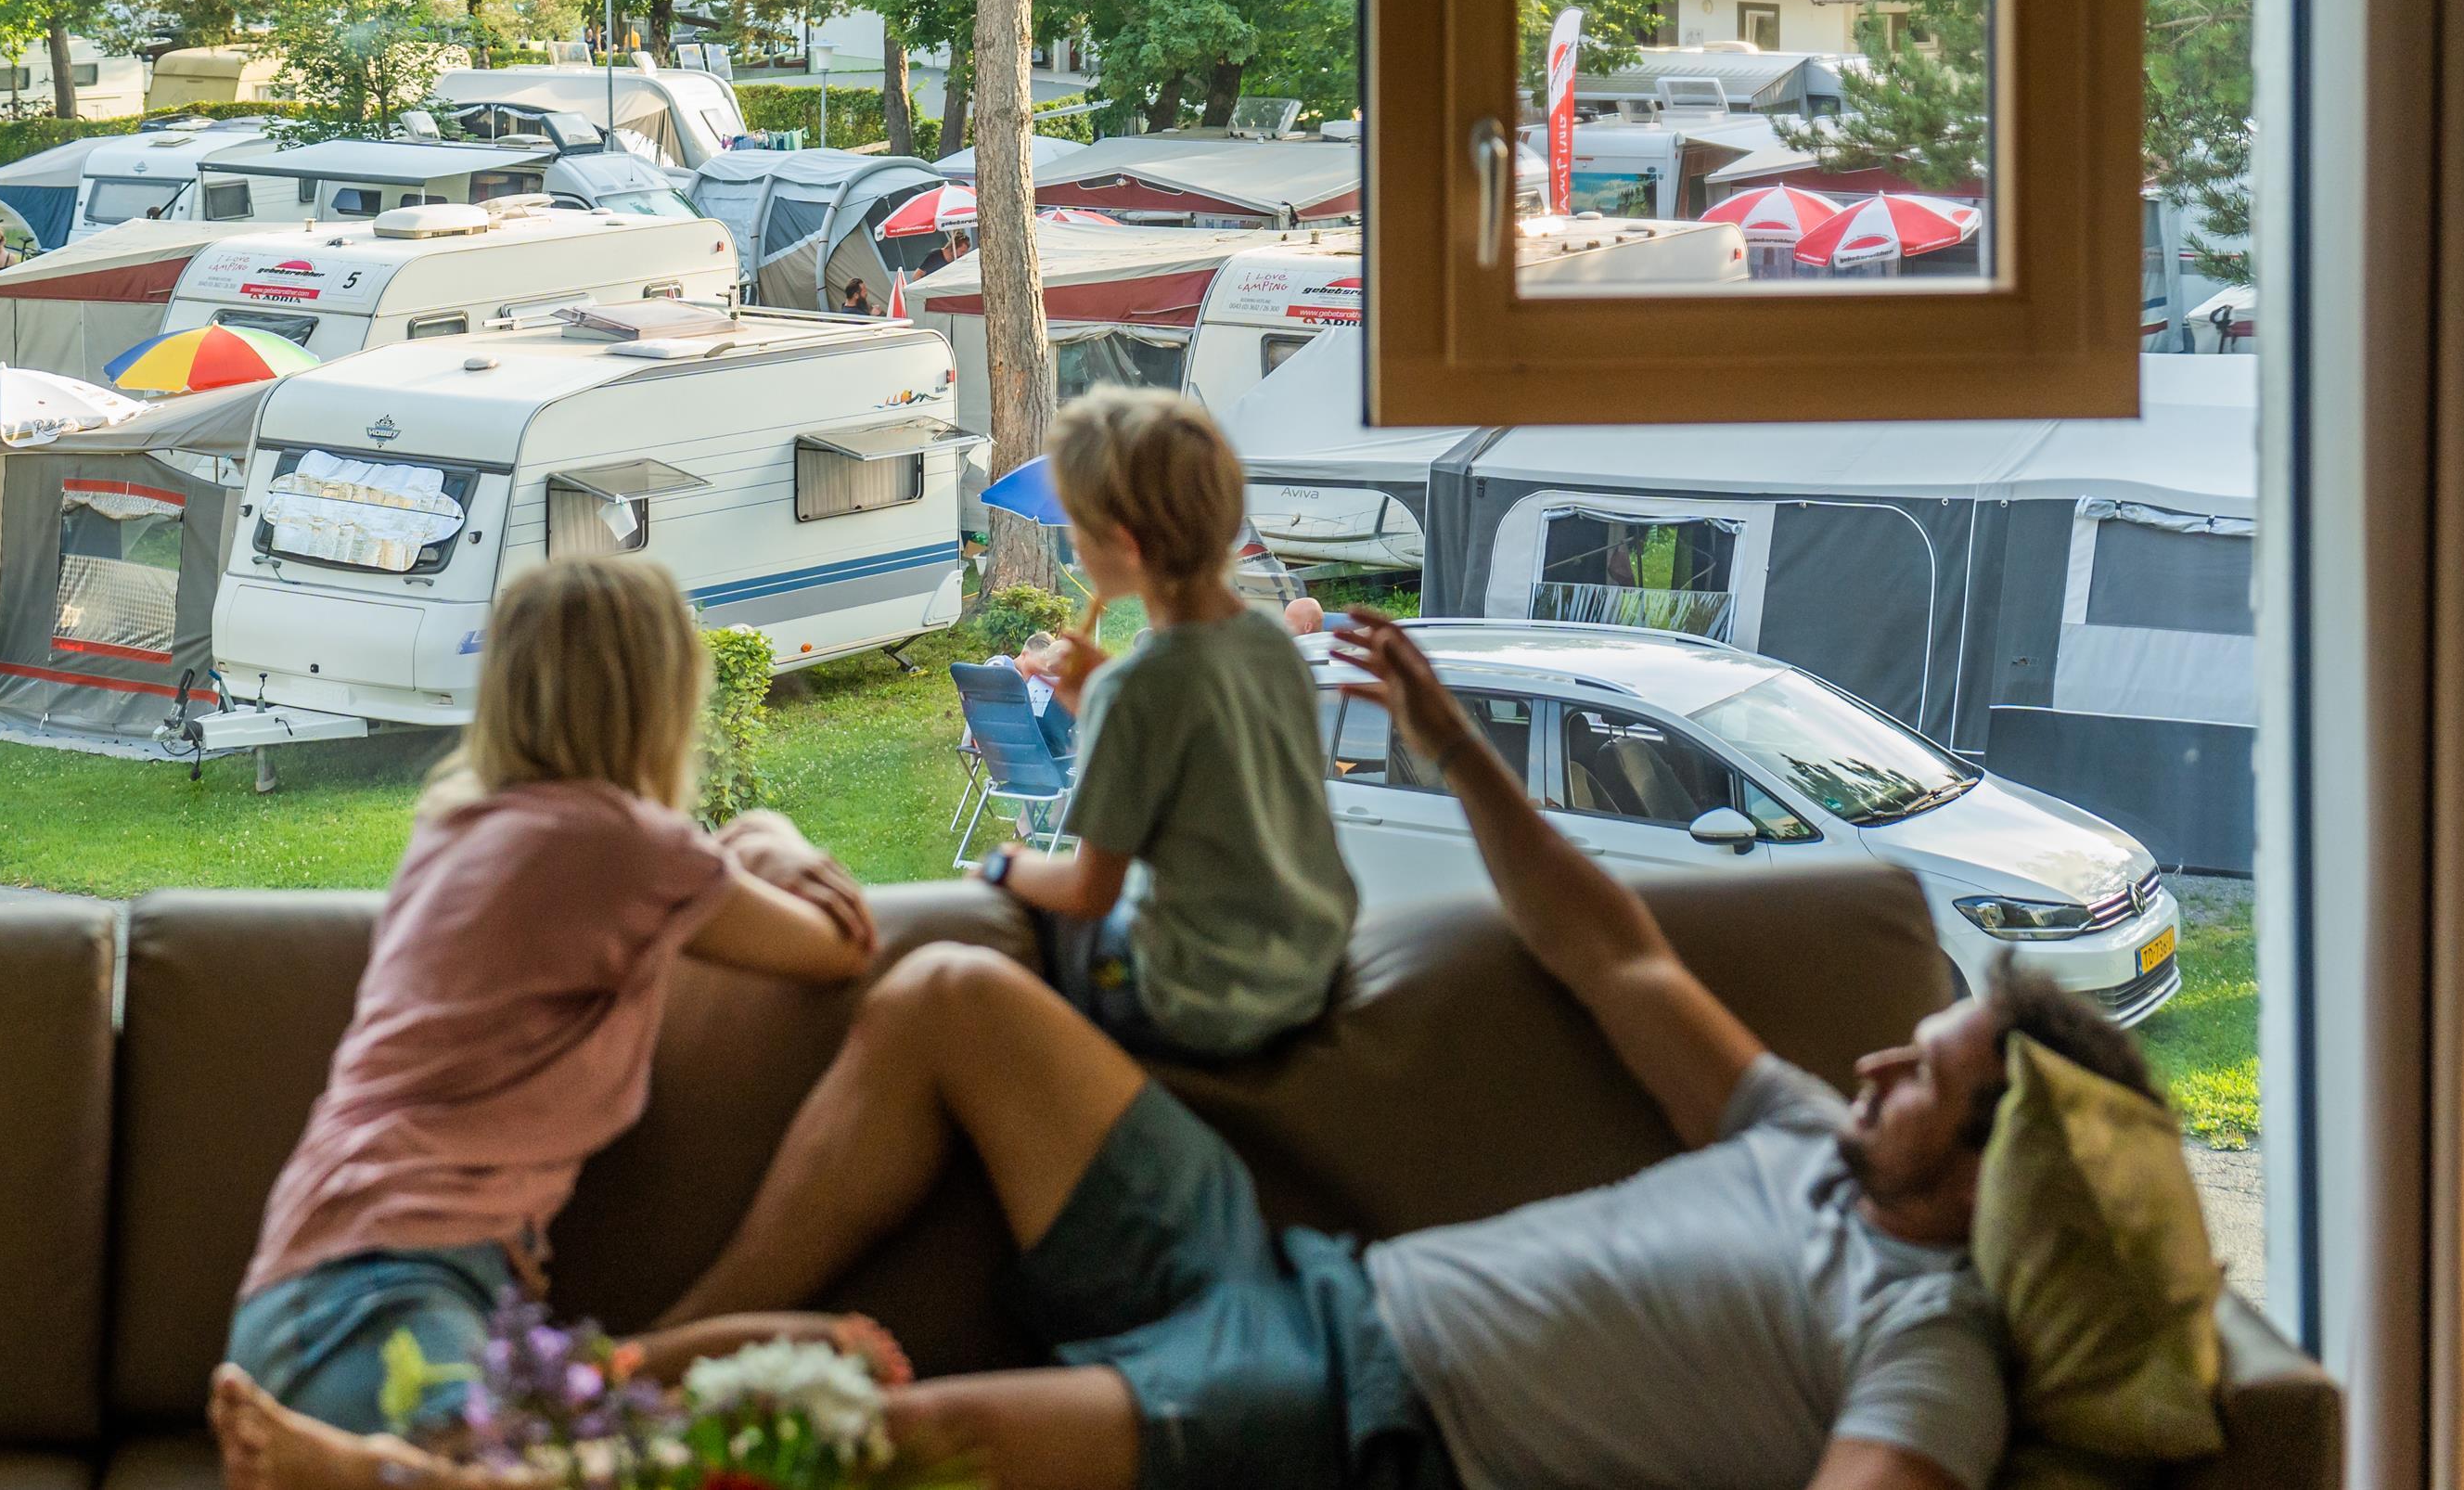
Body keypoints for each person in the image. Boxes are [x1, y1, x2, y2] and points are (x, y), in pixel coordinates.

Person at [493, 607, 2147, 1490]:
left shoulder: (1926, 1339)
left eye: (1923, 1074)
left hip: (1348, 1411)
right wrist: (1455, 746)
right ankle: (632, 1354)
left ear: (1996, 1171)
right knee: (949, 995)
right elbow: (1614, 951)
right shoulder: (1797, 1133)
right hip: (1292, 1278)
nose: (1872, 1064)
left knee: (904, 1447)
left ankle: (521, 1450)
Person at [212, 555, 882, 1454]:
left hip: (318, 1280)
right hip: (384, 1290)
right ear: (657, 699)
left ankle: (393, 1457)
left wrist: (741, 844)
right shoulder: (624, 846)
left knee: (531, 1461)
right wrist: (776, 836)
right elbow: (842, 945)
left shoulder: (457, 828)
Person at [988, 388, 1354, 1062]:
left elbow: (1090, 891)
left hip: (1204, 997)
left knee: (993, 956)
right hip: (1309, 966)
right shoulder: (1275, 648)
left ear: (1126, 545)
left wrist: (1005, 864)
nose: (1073, 544)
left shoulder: (1137, 691)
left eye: (1078, 526)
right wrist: (1100, 699)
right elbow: (1205, 752)